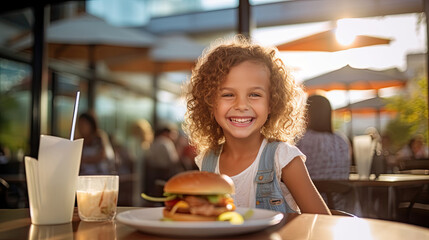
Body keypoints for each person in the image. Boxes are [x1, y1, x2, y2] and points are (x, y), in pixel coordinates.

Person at [183, 35, 330, 215]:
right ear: (209, 103)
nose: (241, 105)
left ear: (272, 104)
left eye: (254, 94)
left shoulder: (283, 158)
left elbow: (321, 221)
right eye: (228, 95)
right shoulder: (206, 161)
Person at [296, 94, 351, 211]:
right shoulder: (342, 141)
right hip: (341, 208)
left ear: (307, 114)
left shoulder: (301, 140)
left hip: (309, 208)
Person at [144, 124, 182, 200]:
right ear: (165, 133)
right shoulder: (167, 143)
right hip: (165, 174)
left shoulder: (154, 142)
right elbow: (174, 159)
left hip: (153, 174)